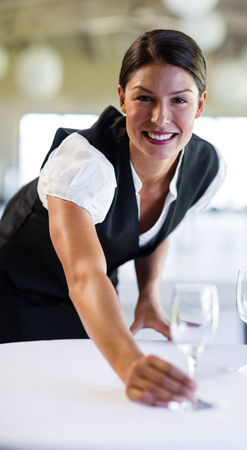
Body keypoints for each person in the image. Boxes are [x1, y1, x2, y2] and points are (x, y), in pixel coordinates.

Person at [0, 29, 226, 406]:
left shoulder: (206, 167)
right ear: (122, 97)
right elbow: (84, 273)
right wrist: (131, 363)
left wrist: (149, 292)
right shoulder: (84, 162)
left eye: (179, 101)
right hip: (16, 296)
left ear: (200, 105)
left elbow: (159, 225)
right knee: (34, 406)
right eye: (144, 98)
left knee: (94, 403)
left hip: (94, 301)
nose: (160, 118)